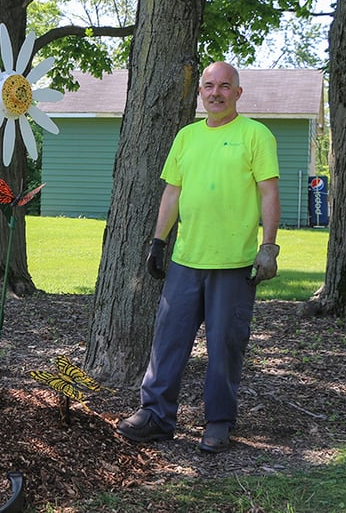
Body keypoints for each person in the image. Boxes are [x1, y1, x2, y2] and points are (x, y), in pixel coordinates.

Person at [116, 61, 281, 453]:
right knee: (168, 341)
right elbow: (172, 193)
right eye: (208, 86)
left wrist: (269, 247)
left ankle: (218, 422)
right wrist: (159, 241)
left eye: (224, 86)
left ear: (237, 94)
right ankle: (155, 416)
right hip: (186, 261)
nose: (215, 93)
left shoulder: (255, 135)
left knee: (225, 345)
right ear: (201, 93)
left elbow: (269, 193)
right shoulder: (186, 137)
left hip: (234, 263)